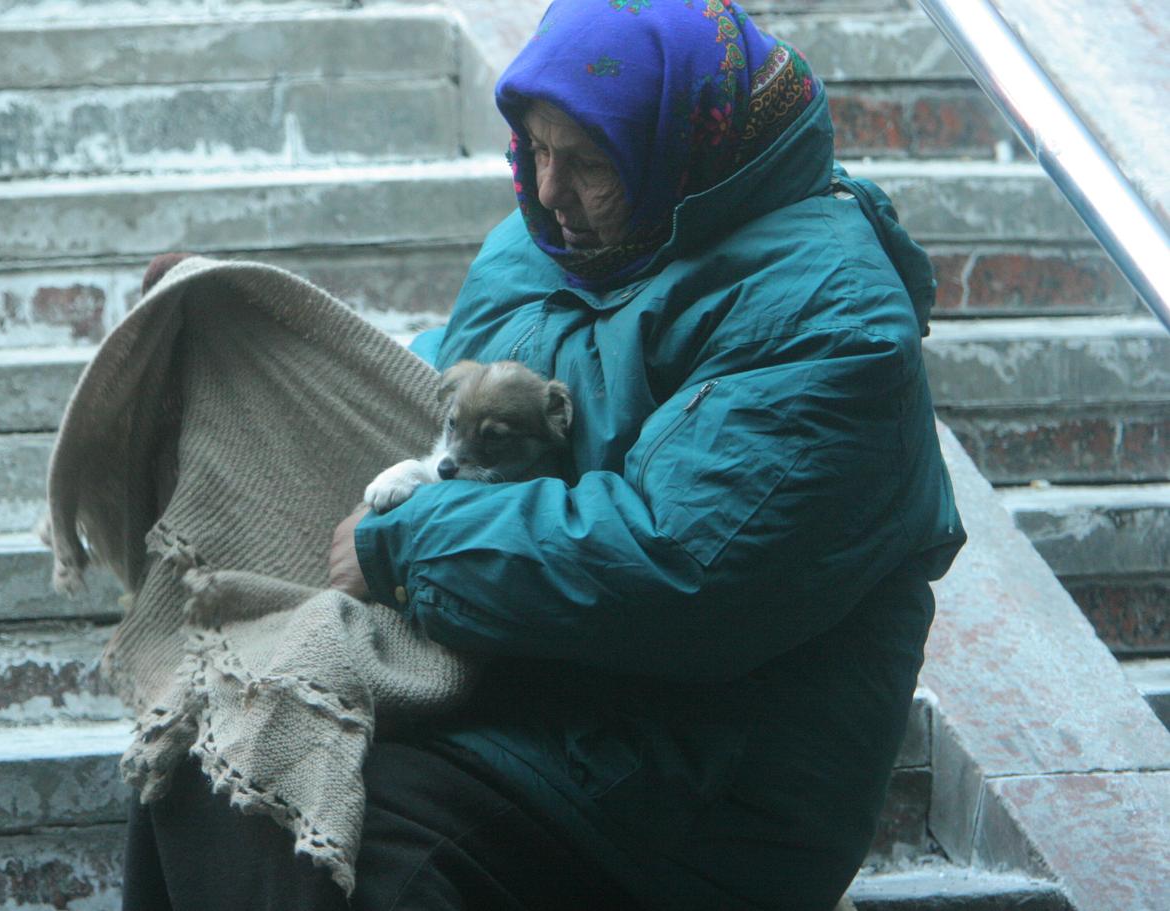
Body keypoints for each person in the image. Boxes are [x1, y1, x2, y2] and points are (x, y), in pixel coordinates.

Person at [124, 1, 966, 908]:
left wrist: (409, 541)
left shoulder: (829, 313)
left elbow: (679, 565)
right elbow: (422, 393)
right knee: (207, 747)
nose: (550, 190)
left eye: (590, 161)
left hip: (684, 787)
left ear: (685, 147)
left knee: (338, 841)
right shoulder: (553, 246)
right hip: (522, 705)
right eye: (534, 147)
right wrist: (251, 341)